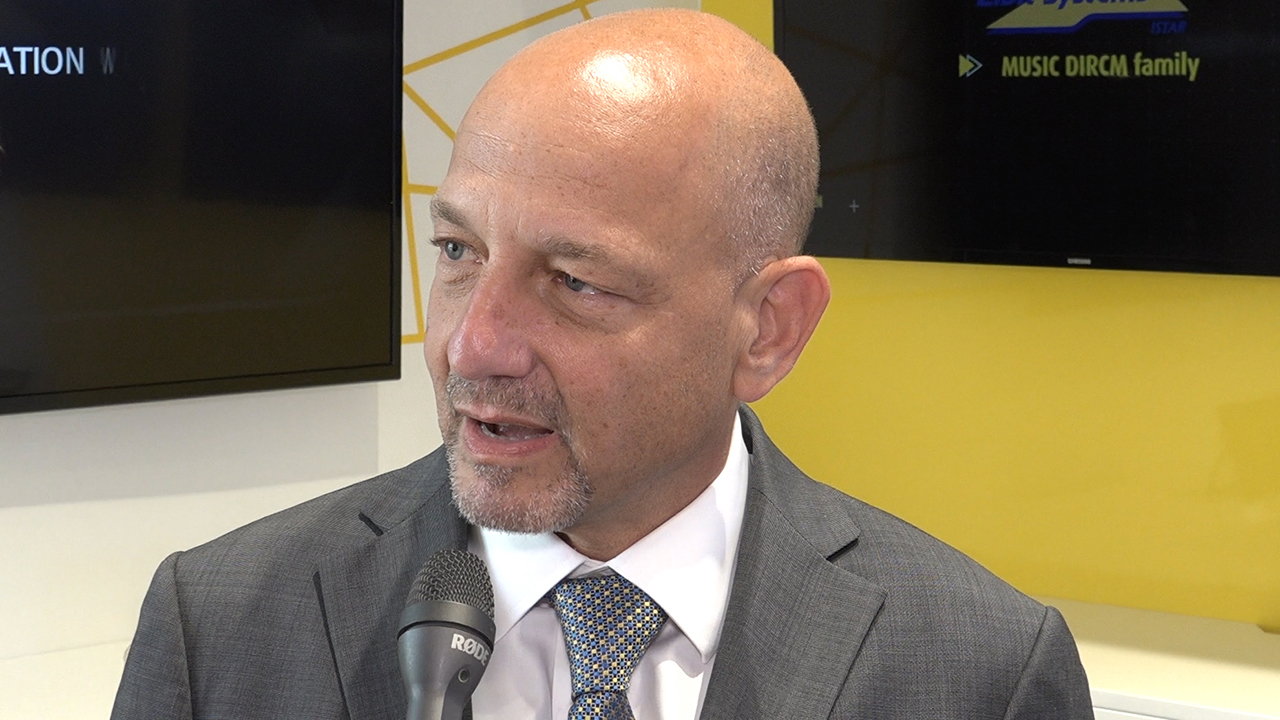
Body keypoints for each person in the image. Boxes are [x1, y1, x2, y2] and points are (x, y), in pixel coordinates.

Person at [112, 8, 1094, 719]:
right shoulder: (223, 625)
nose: (471, 346)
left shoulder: (980, 673)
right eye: (457, 252)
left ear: (769, 329)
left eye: (576, 282)